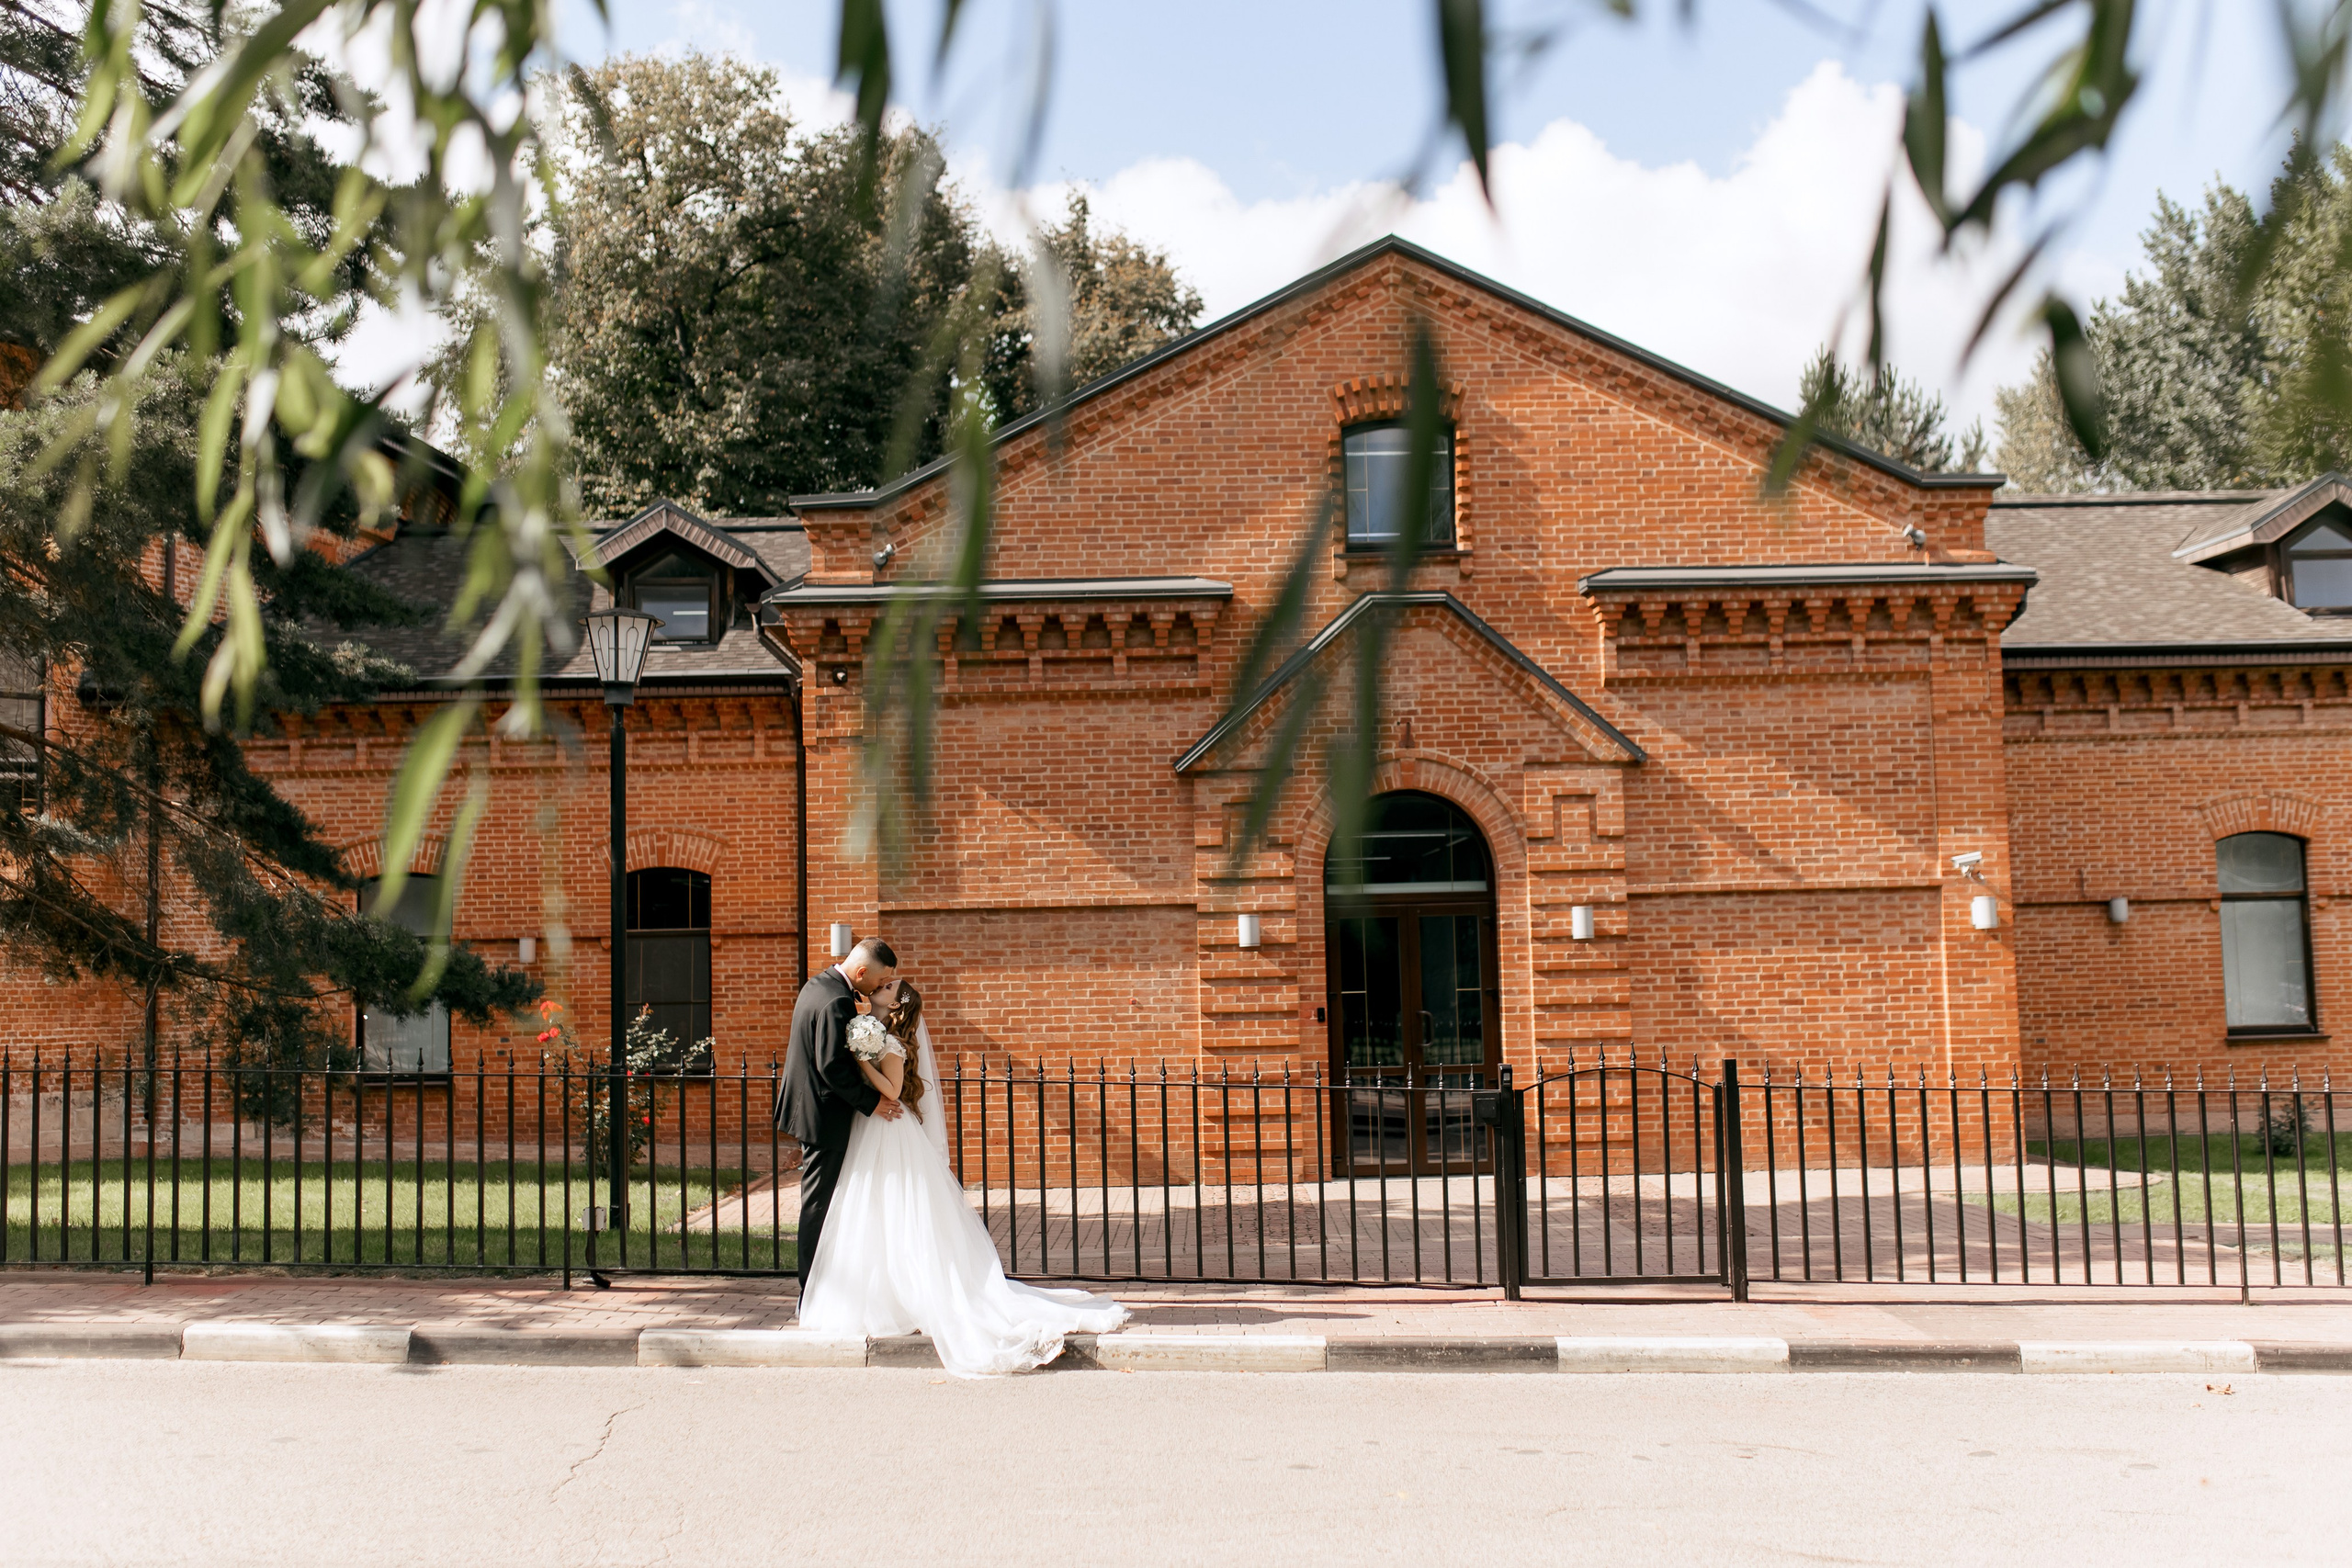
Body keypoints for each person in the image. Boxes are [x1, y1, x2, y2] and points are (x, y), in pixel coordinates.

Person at [796, 976, 1129, 1376]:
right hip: (871, 1129)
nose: (878, 989)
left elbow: (893, 1090)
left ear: (897, 1007)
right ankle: (878, 1295)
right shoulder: (872, 1031)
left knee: (896, 1210)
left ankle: (906, 1296)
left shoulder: (891, 1044)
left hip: (888, 1127)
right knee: (869, 1211)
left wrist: (862, 1059)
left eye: (886, 988)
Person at [774, 936, 904, 1293]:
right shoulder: (837, 1001)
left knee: (821, 1200)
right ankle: (810, 1291)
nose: (879, 986)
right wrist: (871, 1102)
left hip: (808, 1106)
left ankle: (819, 1285)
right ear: (861, 971)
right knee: (818, 1204)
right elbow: (832, 1066)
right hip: (822, 1115)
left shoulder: (817, 984)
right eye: (878, 980)